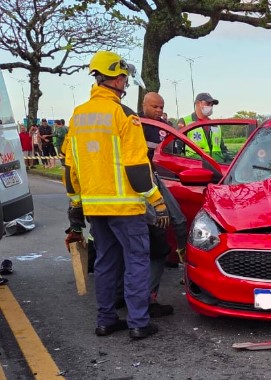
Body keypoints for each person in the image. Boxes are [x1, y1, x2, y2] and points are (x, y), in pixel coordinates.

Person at [62, 50, 169, 339]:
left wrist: (75, 206)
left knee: (106, 262)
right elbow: (136, 167)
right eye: (124, 79)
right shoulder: (124, 116)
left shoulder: (78, 115)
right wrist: (157, 202)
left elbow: (70, 168)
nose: (125, 84)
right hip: (125, 208)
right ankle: (138, 322)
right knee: (136, 261)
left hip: (95, 208)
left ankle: (106, 320)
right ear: (118, 79)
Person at [140, 91, 188, 316]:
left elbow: (176, 155)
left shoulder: (164, 127)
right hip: (143, 185)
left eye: (161, 107)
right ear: (144, 105)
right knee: (157, 237)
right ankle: (148, 298)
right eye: (154, 107)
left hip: (157, 179)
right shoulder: (137, 125)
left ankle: (183, 258)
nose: (159, 111)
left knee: (178, 220)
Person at [177, 92, 229, 162]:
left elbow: (222, 148)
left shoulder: (215, 124)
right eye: (208, 104)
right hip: (196, 166)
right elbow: (177, 148)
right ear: (198, 103)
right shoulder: (185, 121)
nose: (210, 106)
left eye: (212, 105)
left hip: (217, 165)